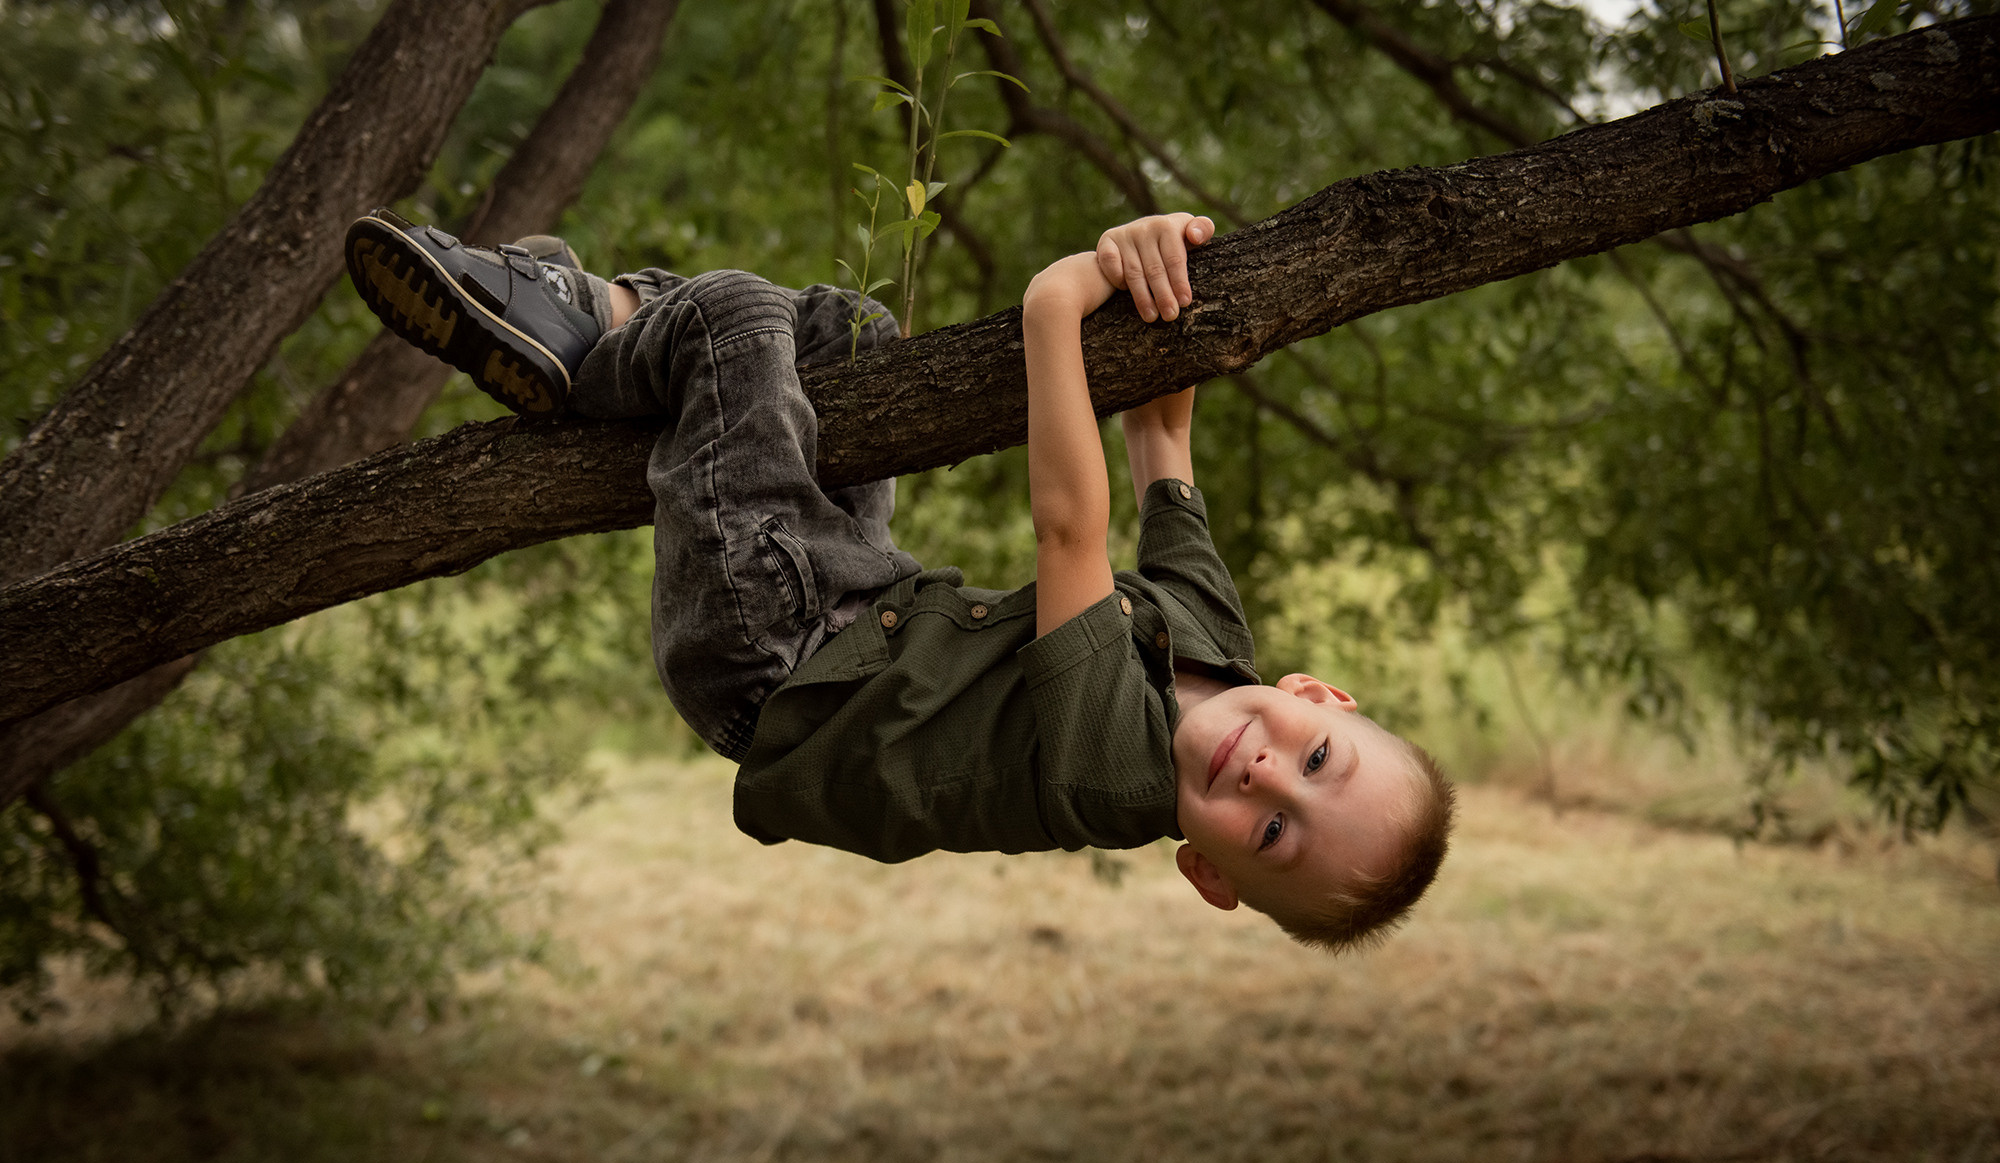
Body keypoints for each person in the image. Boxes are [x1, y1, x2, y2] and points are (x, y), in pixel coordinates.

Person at [343, 208, 1454, 949]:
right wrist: (1151, 264)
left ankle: (571, 328)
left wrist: (1057, 305)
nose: (1266, 775)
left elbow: (1071, 526)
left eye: (1270, 834)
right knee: (848, 335)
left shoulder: (1112, 775)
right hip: (857, 595)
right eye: (1315, 760)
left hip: (780, 664)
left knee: (734, 318)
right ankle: (576, 317)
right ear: (1319, 697)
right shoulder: (1212, 637)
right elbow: (1164, 435)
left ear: (1210, 878)